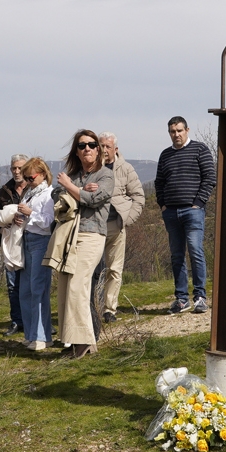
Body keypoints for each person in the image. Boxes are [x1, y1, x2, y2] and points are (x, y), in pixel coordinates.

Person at [47, 131, 113, 358]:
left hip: (92, 235)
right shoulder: (73, 175)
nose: (87, 149)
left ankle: (83, 342)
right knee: (66, 286)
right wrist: (79, 190)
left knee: (78, 285)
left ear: (98, 149)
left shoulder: (106, 175)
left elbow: (94, 200)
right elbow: (56, 195)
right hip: (70, 236)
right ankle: (77, 341)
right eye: (82, 145)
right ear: (76, 151)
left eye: (92, 145)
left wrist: (73, 189)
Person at [155, 115, 215, 315]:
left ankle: (200, 297)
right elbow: (159, 182)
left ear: (187, 130)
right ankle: (182, 299)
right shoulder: (165, 155)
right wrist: (163, 205)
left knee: (196, 251)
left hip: (192, 211)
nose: (176, 134)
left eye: (179, 130)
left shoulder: (200, 149)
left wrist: (198, 203)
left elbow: (209, 177)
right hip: (171, 212)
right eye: (172, 131)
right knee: (177, 255)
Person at [93, 133, 145, 325]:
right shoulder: (92, 167)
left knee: (114, 269)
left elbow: (138, 196)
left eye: (107, 146)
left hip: (116, 225)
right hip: (93, 226)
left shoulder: (126, 168)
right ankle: (93, 307)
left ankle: (109, 309)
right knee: (93, 269)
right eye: (101, 146)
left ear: (115, 149)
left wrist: (127, 220)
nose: (104, 150)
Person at [15, 157, 55, 351]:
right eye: (26, 178)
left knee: (39, 289)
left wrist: (30, 213)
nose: (28, 182)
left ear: (43, 174)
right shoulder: (29, 194)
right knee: (25, 290)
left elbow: (48, 222)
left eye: (31, 178)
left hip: (41, 241)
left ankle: (42, 336)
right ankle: (31, 334)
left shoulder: (49, 194)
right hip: (27, 240)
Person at [0, 155, 29, 336]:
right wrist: (5, 226)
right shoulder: (5, 191)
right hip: (11, 244)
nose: (16, 171)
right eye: (13, 168)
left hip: (30, 242)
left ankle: (35, 320)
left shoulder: (35, 188)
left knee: (32, 284)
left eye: (20, 168)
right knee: (13, 285)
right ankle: (17, 321)